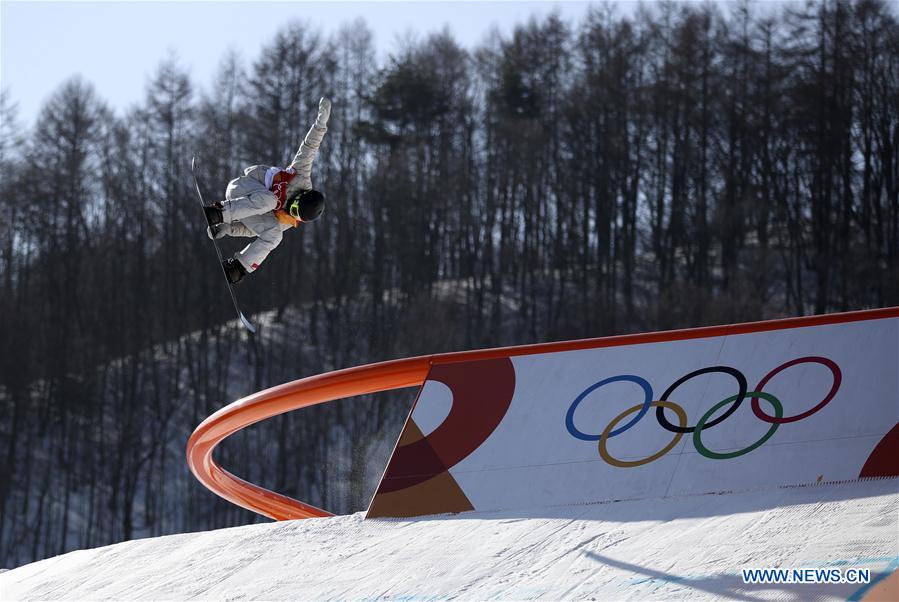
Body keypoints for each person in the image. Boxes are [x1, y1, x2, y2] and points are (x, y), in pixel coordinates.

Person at [204, 97, 331, 284]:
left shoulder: (289, 219)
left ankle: (238, 268)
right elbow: (309, 147)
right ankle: (218, 211)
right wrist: (321, 123)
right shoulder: (301, 175)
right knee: (270, 200)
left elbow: (254, 228)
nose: (291, 211)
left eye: (295, 215)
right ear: (301, 196)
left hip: (245, 208)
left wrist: (228, 228)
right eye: (294, 207)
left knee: (274, 234)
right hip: (242, 188)